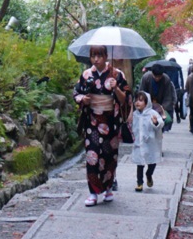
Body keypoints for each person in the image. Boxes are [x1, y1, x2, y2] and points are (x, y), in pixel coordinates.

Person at [74, 44, 129, 205]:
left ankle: (108, 188)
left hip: (111, 121)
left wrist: (116, 88)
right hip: (92, 121)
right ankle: (93, 193)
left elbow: (125, 99)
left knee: (109, 155)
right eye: (93, 56)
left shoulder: (117, 74)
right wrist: (82, 99)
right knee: (92, 156)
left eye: (99, 56)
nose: (96, 59)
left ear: (106, 56)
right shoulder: (86, 74)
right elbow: (77, 92)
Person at [129, 90, 164, 192]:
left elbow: (160, 123)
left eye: (141, 101)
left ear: (146, 102)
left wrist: (156, 122)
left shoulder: (152, 113)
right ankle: (139, 183)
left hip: (151, 143)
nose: (137, 103)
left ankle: (149, 174)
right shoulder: (135, 114)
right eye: (136, 100)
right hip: (139, 142)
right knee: (139, 163)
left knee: (152, 161)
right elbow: (131, 126)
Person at [140, 63, 176, 132]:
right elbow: (142, 93)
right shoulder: (146, 77)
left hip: (160, 106)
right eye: (155, 76)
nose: (157, 78)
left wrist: (161, 108)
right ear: (152, 73)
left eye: (159, 77)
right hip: (148, 105)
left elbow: (168, 97)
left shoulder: (166, 79)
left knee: (159, 127)